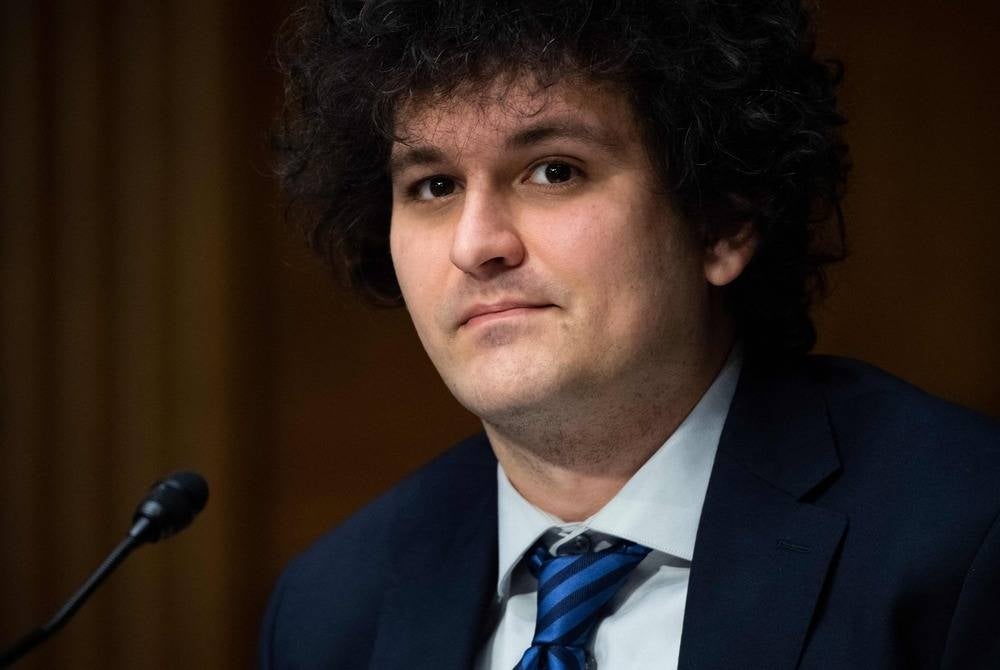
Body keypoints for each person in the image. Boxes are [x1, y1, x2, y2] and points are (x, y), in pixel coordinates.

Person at [259, 1, 1000, 668]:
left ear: (722, 221)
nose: (475, 244)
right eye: (434, 186)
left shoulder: (964, 538)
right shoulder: (331, 610)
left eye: (553, 171)